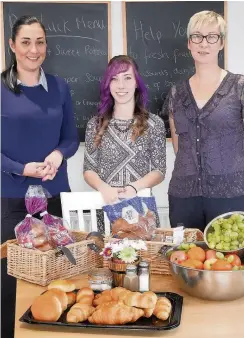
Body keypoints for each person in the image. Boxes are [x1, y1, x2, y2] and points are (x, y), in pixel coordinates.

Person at [1, 15, 79, 338]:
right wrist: (22, 169)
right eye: (26, 42)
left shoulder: (60, 87)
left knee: (56, 278)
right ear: (12, 46)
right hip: (12, 198)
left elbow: (71, 138)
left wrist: (58, 155)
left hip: (55, 196)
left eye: (40, 42)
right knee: (10, 280)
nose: (34, 50)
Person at [162, 11, 244, 232]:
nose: (204, 43)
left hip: (230, 195)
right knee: (186, 260)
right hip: (184, 197)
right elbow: (179, 144)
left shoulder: (239, 88)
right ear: (189, 43)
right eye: (197, 36)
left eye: (212, 36)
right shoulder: (176, 93)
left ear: (222, 43)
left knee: (230, 263)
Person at [83, 55, 166, 232]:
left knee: (146, 257)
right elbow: (88, 169)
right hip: (106, 206)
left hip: (142, 207)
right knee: (105, 258)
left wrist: (134, 188)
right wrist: (104, 188)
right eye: (114, 79)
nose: (121, 86)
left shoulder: (154, 123)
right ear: (108, 84)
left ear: (137, 82)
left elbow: (159, 171)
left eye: (127, 78)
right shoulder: (95, 124)